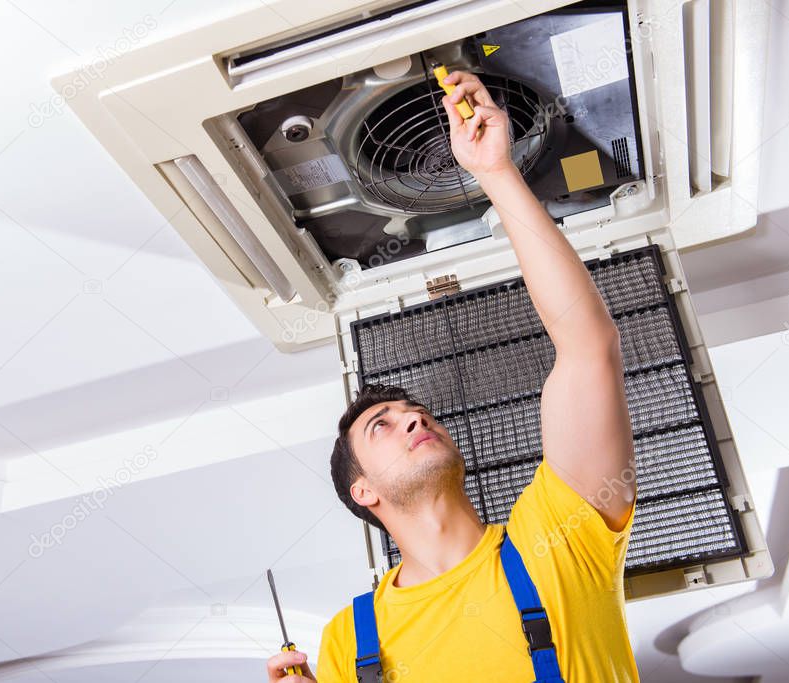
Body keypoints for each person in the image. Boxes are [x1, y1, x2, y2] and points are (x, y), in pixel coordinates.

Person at [265, 71, 638, 682]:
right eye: (382, 426)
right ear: (364, 492)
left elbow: (587, 346)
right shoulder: (350, 641)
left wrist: (495, 172)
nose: (414, 417)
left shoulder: (561, 535)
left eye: (416, 414)